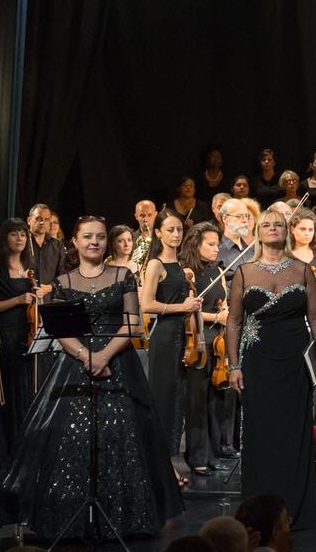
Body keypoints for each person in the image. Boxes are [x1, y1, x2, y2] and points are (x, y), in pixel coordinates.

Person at [0, 216, 183, 537]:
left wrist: (105, 355)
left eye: (99, 237)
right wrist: (87, 356)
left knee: (121, 435)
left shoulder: (122, 275)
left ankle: (122, 516)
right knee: (72, 438)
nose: (94, 242)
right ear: (75, 241)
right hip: (75, 363)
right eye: (87, 237)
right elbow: (61, 330)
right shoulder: (64, 282)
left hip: (118, 362)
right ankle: (71, 517)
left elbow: (133, 324)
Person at [226, 209, 316, 530]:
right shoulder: (244, 271)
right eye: (266, 224)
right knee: (261, 434)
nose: (273, 228)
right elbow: (234, 321)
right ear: (258, 232)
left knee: (293, 434)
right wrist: (233, 365)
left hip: (294, 361)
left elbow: (315, 316)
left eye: (278, 224)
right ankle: (259, 514)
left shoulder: (303, 270)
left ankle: (294, 510)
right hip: (256, 363)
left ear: (287, 231)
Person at [138, 207, 202, 487]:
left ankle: (166, 465)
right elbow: (146, 305)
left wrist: (193, 304)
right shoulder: (155, 265)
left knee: (177, 403)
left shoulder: (181, 266)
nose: (176, 234)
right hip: (165, 337)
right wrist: (182, 307)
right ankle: (161, 468)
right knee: (163, 402)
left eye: (179, 229)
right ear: (157, 233)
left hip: (182, 338)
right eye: (170, 230)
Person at [0, 218, 38, 470]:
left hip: (27, 335)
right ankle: (0, 455)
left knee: (24, 392)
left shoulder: (29, 267)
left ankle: (22, 451)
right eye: (14, 234)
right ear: (5, 238)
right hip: (6, 335)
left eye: (22, 235)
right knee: (3, 394)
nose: (19, 239)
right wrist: (18, 299)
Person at [178, 222, 230, 477]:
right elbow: (190, 309)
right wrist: (216, 318)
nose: (216, 249)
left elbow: (224, 302)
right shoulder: (189, 272)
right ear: (196, 245)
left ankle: (212, 454)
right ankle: (197, 456)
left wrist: (226, 313)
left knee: (215, 400)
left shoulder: (218, 270)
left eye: (217, 244)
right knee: (197, 401)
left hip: (218, 342)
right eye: (210, 244)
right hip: (198, 339)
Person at [27, 203, 64, 289]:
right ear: (29, 220)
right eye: (38, 219)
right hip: (25, 298)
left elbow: (63, 275)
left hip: (49, 299)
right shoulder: (22, 243)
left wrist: (49, 288)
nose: (42, 222)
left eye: (46, 219)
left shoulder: (58, 246)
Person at [132, 199, 158, 267]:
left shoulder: (164, 237)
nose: (146, 219)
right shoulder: (130, 239)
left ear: (155, 215)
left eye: (149, 215)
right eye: (142, 216)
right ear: (136, 216)